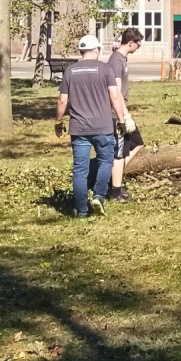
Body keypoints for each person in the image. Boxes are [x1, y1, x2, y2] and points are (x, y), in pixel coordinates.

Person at [55, 34, 128, 218]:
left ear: (81, 51)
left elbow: (62, 100)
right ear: (97, 50)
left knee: (80, 169)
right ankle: (98, 196)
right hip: (103, 127)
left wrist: (58, 121)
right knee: (106, 162)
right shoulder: (105, 69)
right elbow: (115, 96)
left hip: (79, 128)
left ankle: (81, 210)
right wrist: (121, 120)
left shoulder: (70, 71)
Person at [107, 27, 143, 203]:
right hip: (116, 114)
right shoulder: (116, 61)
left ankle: (112, 175)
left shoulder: (121, 59)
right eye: (138, 44)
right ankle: (115, 190)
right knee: (119, 153)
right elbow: (116, 91)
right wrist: (125, 116)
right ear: (130, 43)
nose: (138, 47)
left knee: (137, 142)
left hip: (121, 111)